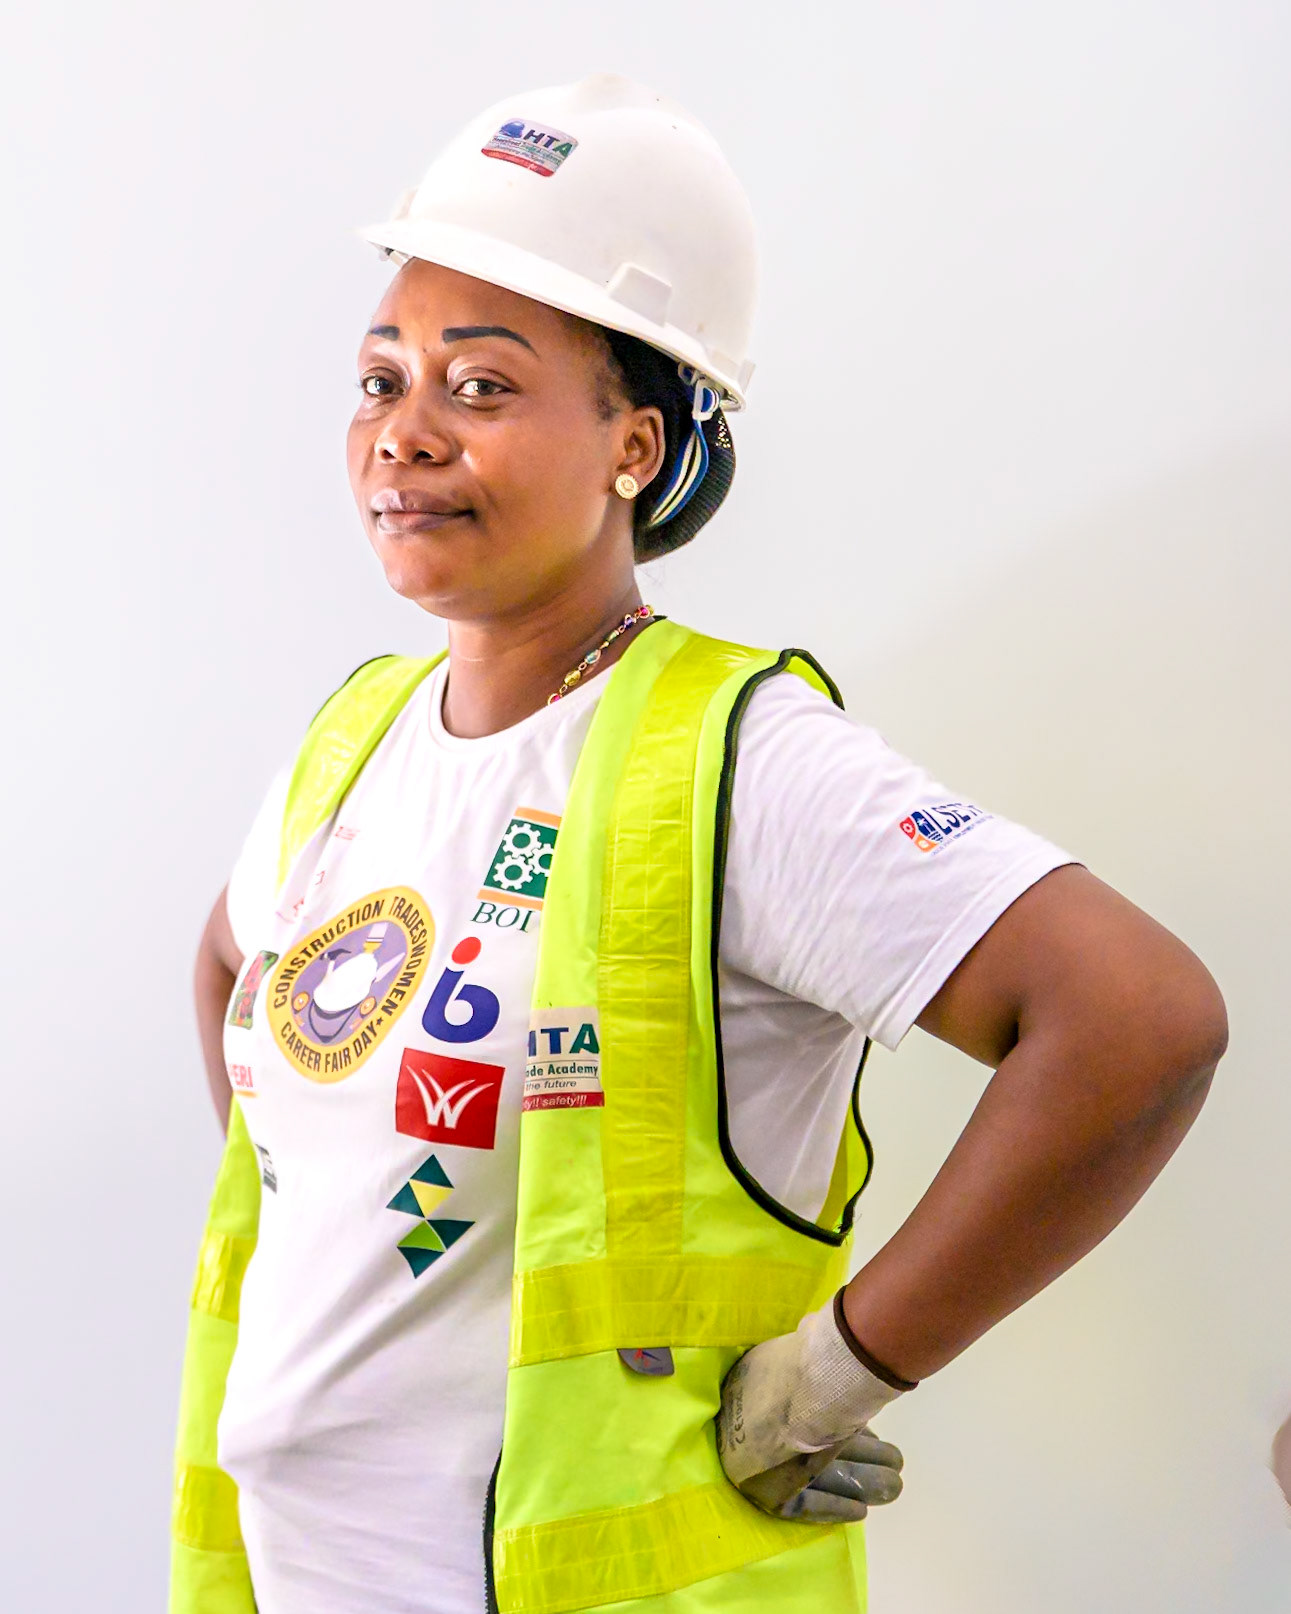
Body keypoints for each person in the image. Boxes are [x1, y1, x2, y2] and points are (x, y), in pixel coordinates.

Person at [174, 75, 1228, 1614]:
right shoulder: (358, 740)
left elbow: (1139, 1021)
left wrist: (843, 1366)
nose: (402, 434)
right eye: (379, 376)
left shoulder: (735, 763)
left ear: (632, 442)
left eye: (477, 386)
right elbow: (227, 957)